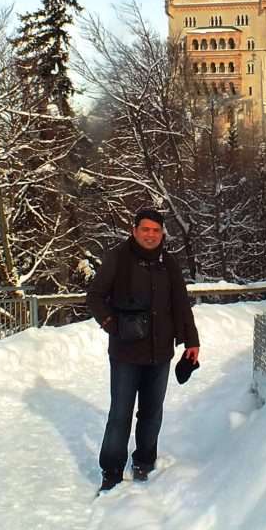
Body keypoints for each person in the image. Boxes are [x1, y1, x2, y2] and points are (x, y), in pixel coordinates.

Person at [87, 207, 200, 493]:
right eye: (145, 229)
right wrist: (111, 324)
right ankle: (111, 471)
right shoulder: (118, 258)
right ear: (134, 230)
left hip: (161, 352)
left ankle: (144, 462)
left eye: (156, 230)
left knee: (152, 412)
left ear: (162, 233)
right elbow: (95, 296)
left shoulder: (169, 263)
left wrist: (192, 342)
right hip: (126, 352)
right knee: (121, 413)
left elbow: (181, 305)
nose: (151, 235)